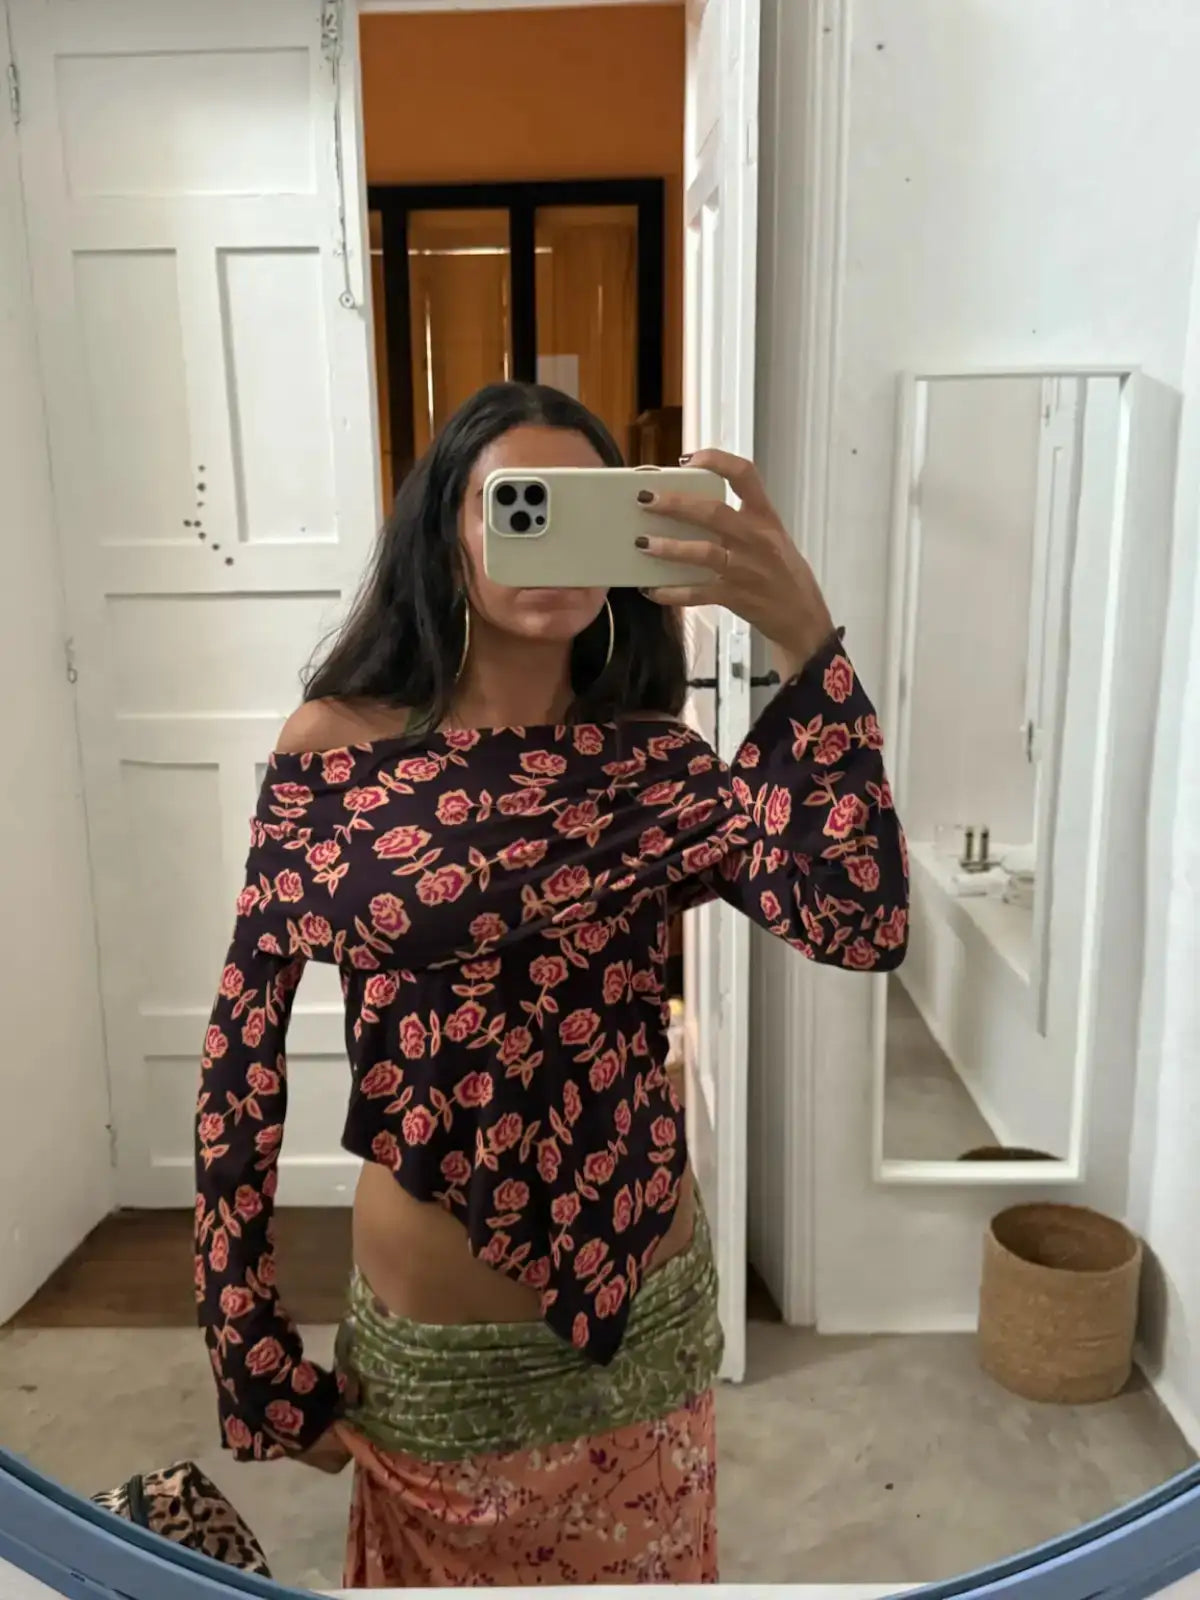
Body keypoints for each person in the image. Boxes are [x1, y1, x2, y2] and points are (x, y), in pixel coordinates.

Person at [194, 382, 908, 1589]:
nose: (554, 536)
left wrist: (803, 638)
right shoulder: (335, 753)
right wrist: (245, 1341)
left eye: (589, 506)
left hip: (646, 1312)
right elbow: (240, 1056)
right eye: (519, 504)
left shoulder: (658, 763)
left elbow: (861, 918)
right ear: (447, 535)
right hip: (436, 1347)